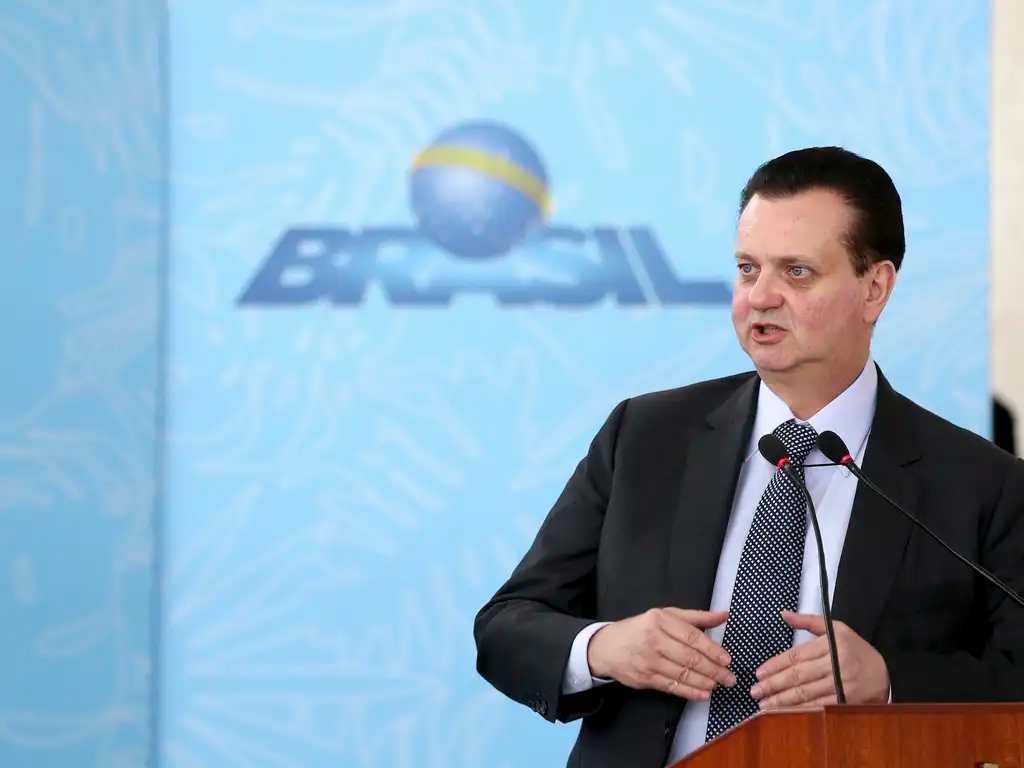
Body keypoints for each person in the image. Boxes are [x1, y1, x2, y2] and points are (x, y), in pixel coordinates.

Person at [474, 147, 1024, 768]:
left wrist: (889, 681)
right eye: (747, 269)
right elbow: (505, 627)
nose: (760, 297)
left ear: (875, 288)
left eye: (797, 272)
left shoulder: (981, 483)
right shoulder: (646, 437)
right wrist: (605, 647)